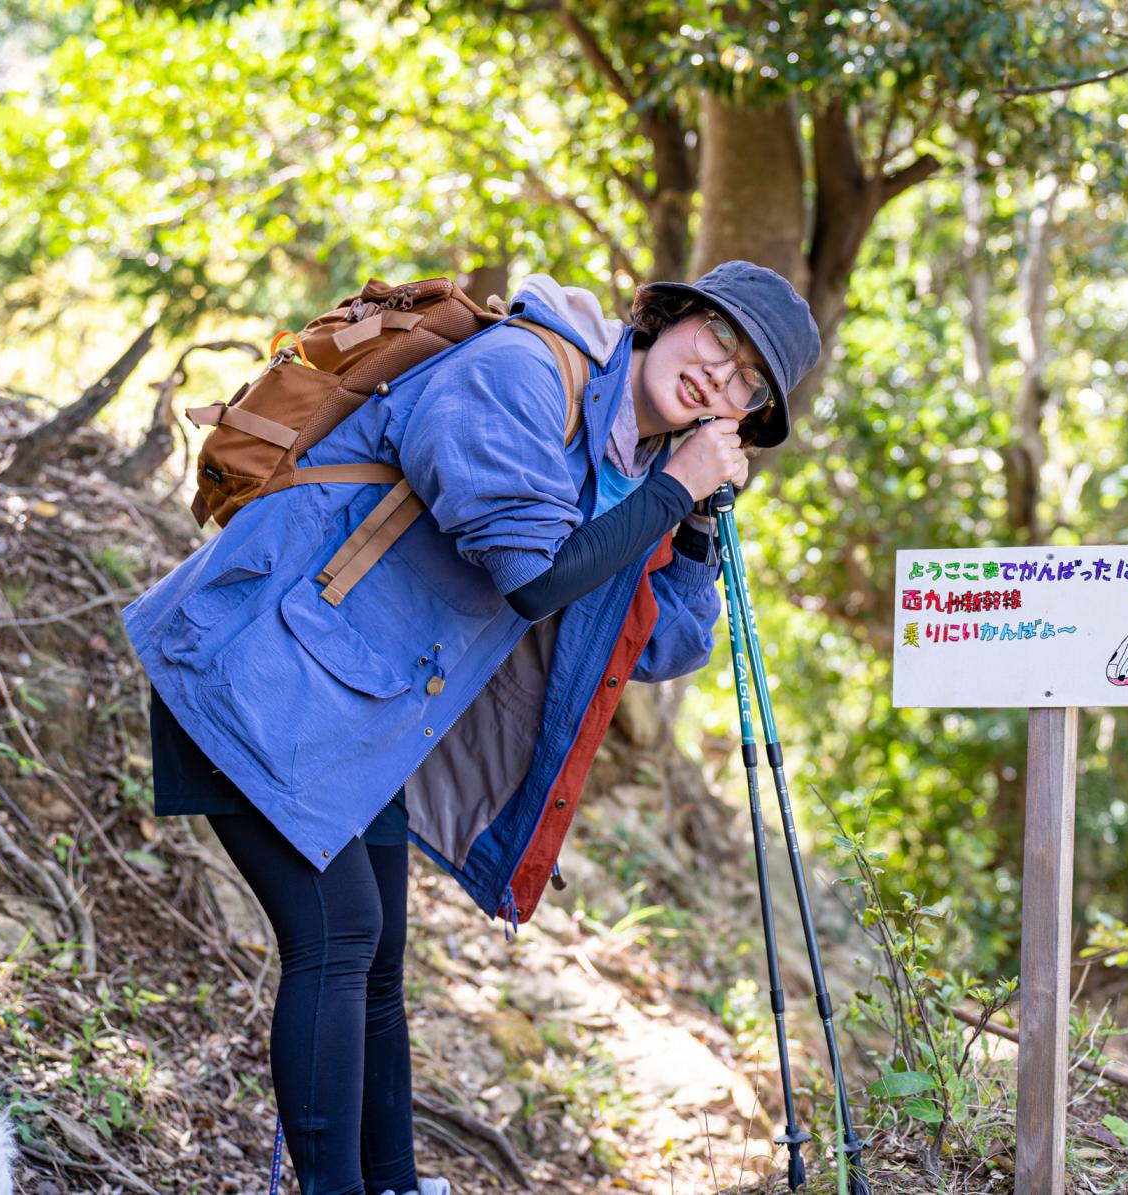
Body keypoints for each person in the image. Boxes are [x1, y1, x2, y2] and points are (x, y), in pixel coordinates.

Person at [121, 261, 822, 1195]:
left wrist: (691, 520)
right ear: (669, 315)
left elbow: (659, 642)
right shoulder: (524, 372)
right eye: (718, 344)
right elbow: (532, 576)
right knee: (336, 941)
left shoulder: (636, 468)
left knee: (374, 959)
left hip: (354, 713)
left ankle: (396, 1185)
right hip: (256, 664)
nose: (717, 380)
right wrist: (670, 491)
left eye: (747, 389)